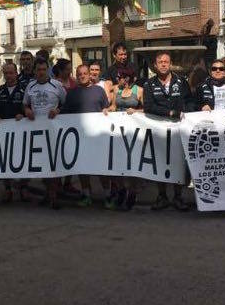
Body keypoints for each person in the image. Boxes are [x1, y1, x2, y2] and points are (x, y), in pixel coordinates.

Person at [143, 51, 195, 211]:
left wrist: (186, 112)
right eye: (160, 62)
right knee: (160, 162)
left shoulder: (181, 82)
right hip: (158, 129)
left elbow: (190, 101)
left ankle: (178, 197)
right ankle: (162, 196)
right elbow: (149, 106)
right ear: (155, 65)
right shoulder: (149, 84)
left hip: (178, 128)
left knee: (178, 162)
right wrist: (170, 112)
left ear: (170, 64)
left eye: (166, 61)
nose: (164, 64)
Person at [64, 64, 113, 208]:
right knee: (82, 168)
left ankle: (107, 196)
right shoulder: (72, 93)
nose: (83, 76)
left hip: (97, 137)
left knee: (101, 168)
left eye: (85, 73)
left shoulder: (99, 90)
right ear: (77, 75)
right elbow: (65, 112)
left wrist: (107, 110)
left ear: (89, 75)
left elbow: (107, 107)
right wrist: (56, 113)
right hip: (79, 138)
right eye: (80, 74)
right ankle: (86, 194)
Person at [23, 57, 66, 209]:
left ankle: (54, 196)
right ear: (34, 71)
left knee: (54, 163)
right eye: (38, 70)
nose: (41, 72)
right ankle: (48, 194)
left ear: (47, 70)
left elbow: (65, 104)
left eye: (43, 69)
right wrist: (27, 110)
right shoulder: (30, 86)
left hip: (53, 131)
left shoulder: (57, 85)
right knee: (41, 164)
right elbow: (25, 105)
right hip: (36, 132)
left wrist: (58, 110)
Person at [110, 67, 144, 210]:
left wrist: (136, 111)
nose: (120, 80)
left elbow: (147, 109)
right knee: (118, 163)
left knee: (132, 162)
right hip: (118, 131)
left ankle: (132, 192)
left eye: (123, 77)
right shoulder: (117, 90)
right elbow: (113, 106)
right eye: (119, 77)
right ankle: (122, 189)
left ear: (130, 78)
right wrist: (108, 110)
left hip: (134, 132)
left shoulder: (139, 90)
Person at [0, 62, 26, 203]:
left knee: (22, 160)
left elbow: (30, 108)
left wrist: (23, 115)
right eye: (6, 73)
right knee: (5, 160)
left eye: (11, 73)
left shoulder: (25, 90)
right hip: (4, 133)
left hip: (21, 132)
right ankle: (8, 190)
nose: (9, 76)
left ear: (16, 73)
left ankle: (23, 190)